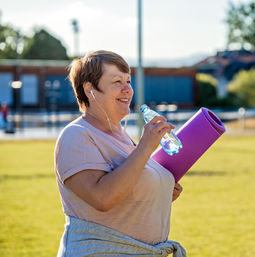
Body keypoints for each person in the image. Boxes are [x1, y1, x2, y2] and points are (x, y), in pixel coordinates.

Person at [54, 50, 186, 257]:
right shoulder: (76, 135)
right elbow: (103, 198)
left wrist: (159, 191)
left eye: (128, 81)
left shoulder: (124, 137)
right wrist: (145, 148)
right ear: (90, 90)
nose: (128, 90)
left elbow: (127, 187)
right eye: (117, 82)